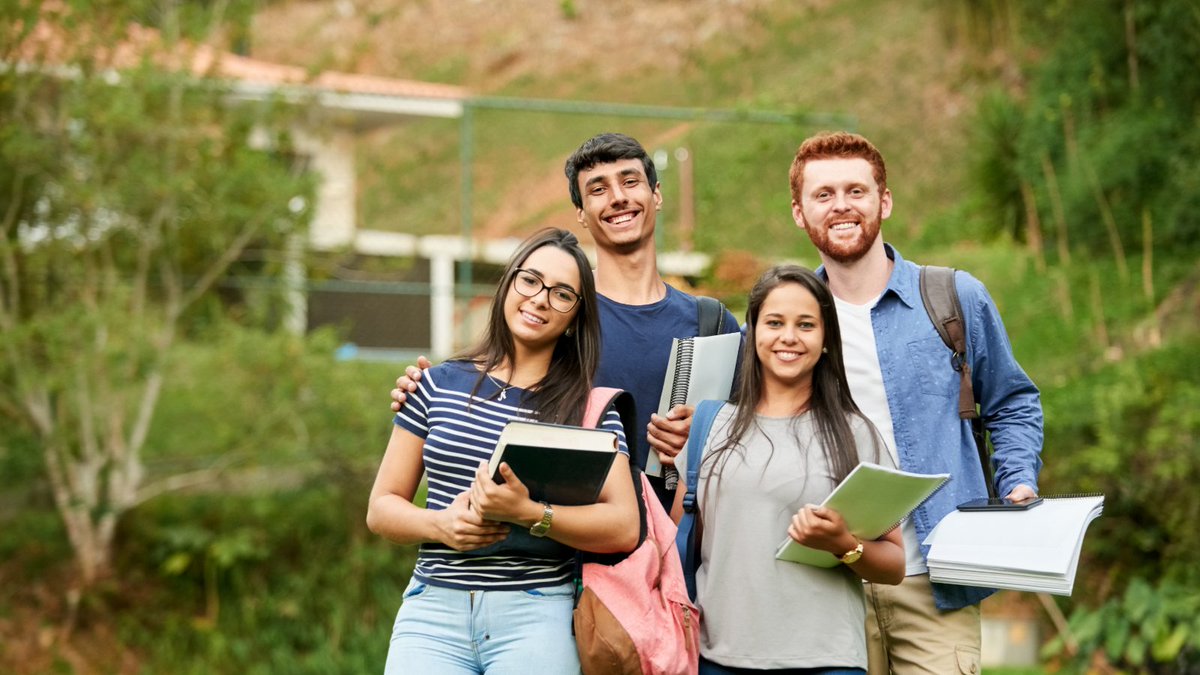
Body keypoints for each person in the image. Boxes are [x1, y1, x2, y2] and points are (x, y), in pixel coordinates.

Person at [788, 131, 1044, 674]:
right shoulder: (784, 322)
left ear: (884, 201)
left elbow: (1013, 402)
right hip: (828, 585)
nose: (841, 206)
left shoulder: (954, 298)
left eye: (856, 190)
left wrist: (1017, 478)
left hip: (936, 579)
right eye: (823, 194)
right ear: (799, 212)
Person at [392, 132, 741, 508]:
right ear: (581, 214)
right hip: (567, 552)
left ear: (656, 194)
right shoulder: (557, 312)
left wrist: (706, 435)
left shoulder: (712, 322)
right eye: (598, 189)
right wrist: (427, 388)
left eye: (629, 181)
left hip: (679, 551)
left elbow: (755, 431)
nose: (618, 197)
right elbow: (492, 387)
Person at [366, 227, 640, 674]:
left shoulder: (589, 410)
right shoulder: (435, 384)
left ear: (576, 316)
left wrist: (530, 512)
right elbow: (380, 508)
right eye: (530, 280)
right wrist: (440, 525)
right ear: (509, 283)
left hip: (537, 615)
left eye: (562, 294)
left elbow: (624, 526)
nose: (539, 299)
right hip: (432, 611)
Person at [671, 264, 905, 674]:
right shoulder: (710, 427)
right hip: (716, 657)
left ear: (827, 338)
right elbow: (680, 547)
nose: (789, 337)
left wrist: (843, 544)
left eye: (806, 325)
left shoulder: (855, 434)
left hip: (826, 659)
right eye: (774, 322)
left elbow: (894, 565)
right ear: (753, 331)